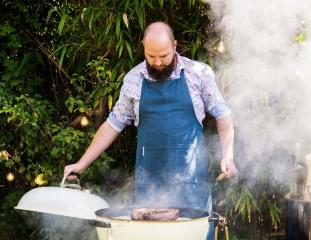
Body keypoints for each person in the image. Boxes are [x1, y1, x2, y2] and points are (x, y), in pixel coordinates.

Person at [64, 21, 237, 239]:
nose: (157, 62)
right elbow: (112, 124)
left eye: (163, 56)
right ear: (144, 48)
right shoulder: (133, 80)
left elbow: (223, 115)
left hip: (192, 189)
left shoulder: (199, 74)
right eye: (151, 56)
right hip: (150, 190)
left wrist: (228, 156)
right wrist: (81, 164)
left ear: (175, 46)